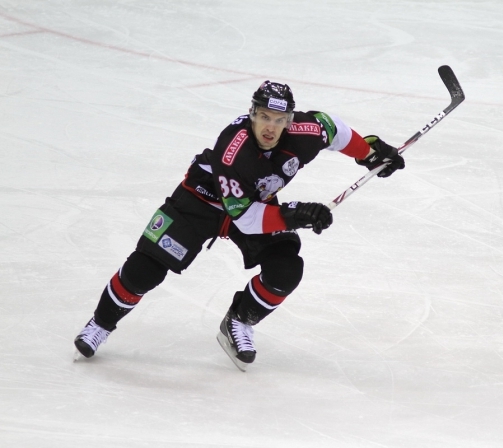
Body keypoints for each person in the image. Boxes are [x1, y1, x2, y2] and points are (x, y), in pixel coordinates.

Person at [74, 80, 405, 370]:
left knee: (286, 270)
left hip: (255, 202)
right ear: (252, 114)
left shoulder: (305, 131)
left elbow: (334, 129)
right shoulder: (234, 152)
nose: (270, 127)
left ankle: (239, 321)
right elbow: (245, 219)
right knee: (144, 270)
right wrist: (296, 214)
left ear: (290, 121)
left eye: (279, 120)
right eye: (264, 117)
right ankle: (100, 325)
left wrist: (368, 153)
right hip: (201, 202)